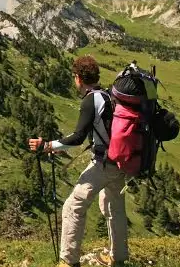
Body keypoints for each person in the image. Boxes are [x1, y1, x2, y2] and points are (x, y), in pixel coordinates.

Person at [29, 55, 127, 267]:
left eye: (74, 77)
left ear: (78, 78)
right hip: (121, 162)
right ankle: (117, 258)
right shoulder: (108, 95)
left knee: (73, 207)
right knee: (114, 208)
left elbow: (78, 137)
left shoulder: (90, 100)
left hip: (104, 164)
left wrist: (48, 145)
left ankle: (68, 261)